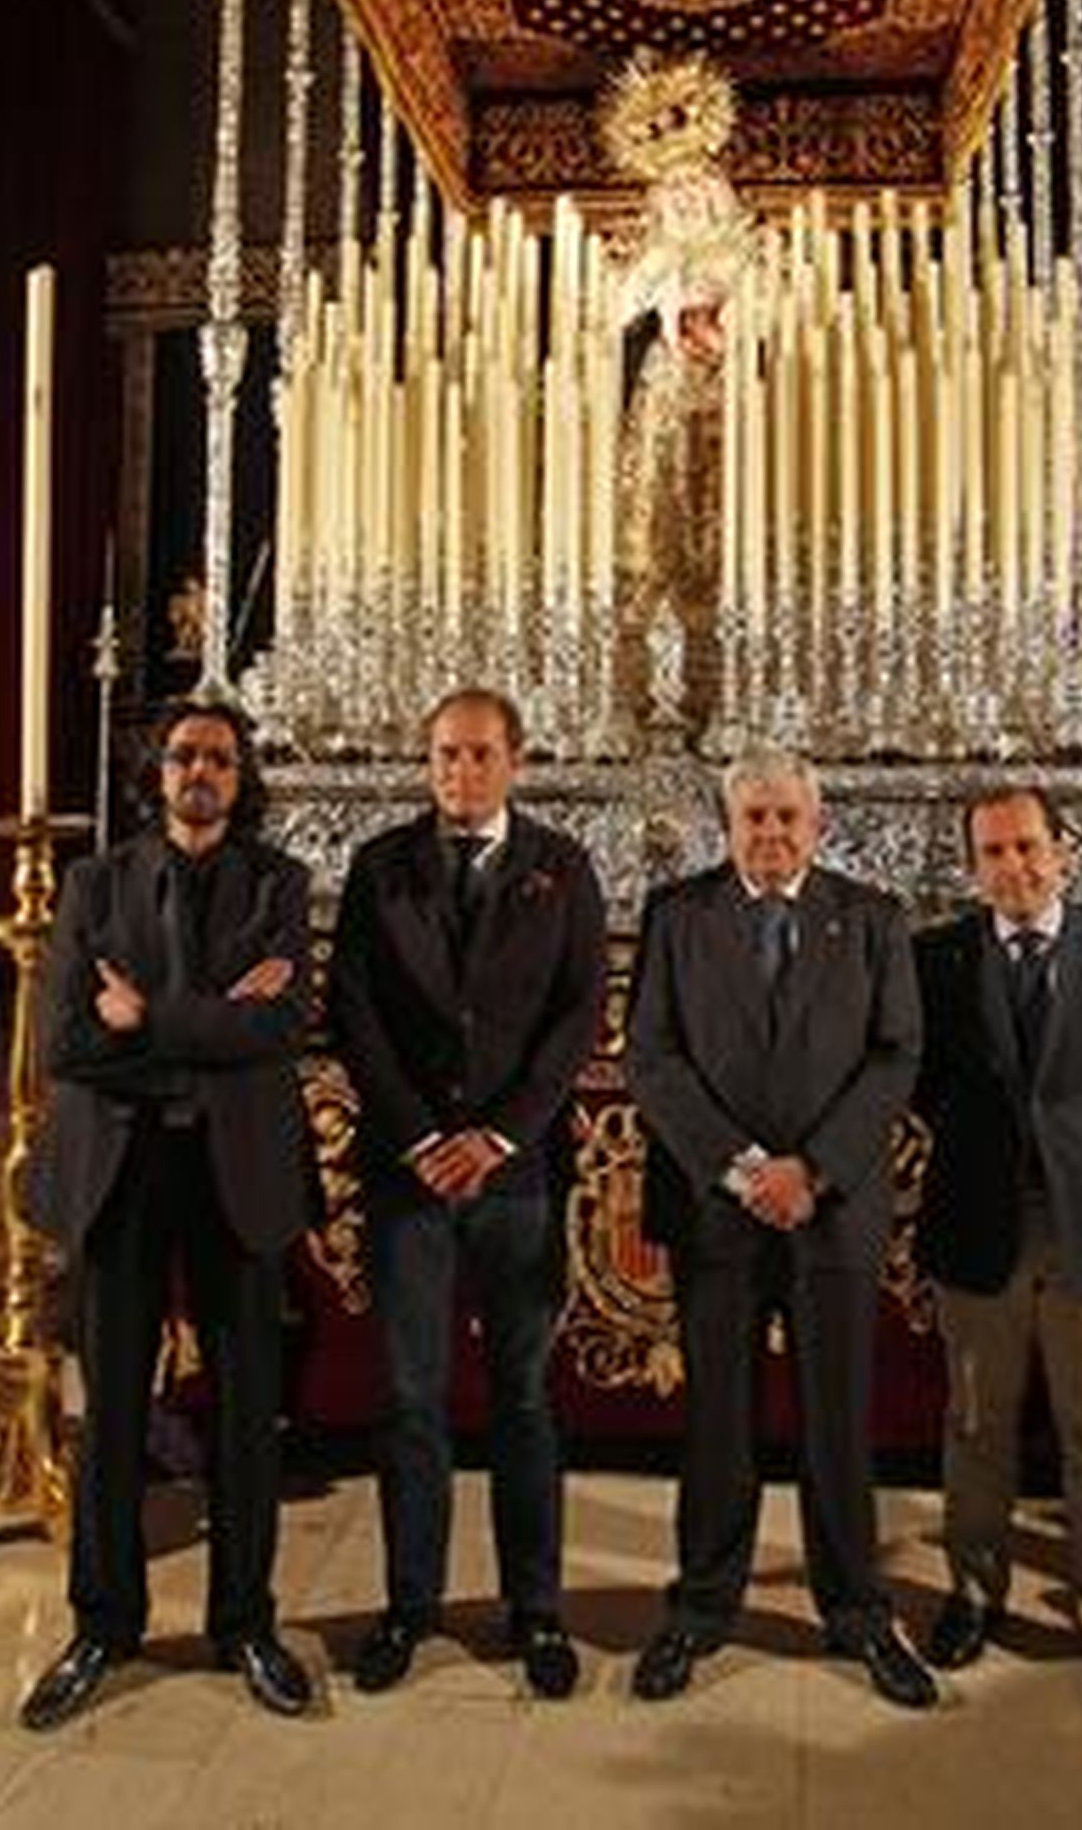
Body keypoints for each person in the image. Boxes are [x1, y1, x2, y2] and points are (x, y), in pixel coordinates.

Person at [19, 698, 317, 1730]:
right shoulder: (93, 885)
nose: (201, 772)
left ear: (242, 779)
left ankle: (247, 1623)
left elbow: (281, 1025)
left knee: (245, 1414)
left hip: (237, 1172)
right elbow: (67, 1044)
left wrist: (147, 1017)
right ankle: (103, 1624)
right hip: (123, 1169)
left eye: (221, 760)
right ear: (157, 772)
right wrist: (212, 1022)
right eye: (186, 755)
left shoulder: (278, 885)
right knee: (110, 1419)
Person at [624, 745, 937, 1708]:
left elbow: (896, 1056)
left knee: (837, 1419)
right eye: (753, 817)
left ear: (818, 824)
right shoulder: (679, 916)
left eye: (785, 818)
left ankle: (854, 1610)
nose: (769, 834)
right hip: (719, 1209)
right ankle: (702, 1604)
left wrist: (817, 1168)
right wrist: (746, 1169)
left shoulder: (872, 919)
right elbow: (652, 1056)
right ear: (729, 824)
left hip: (831, 1213)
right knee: (717, 1418)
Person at [328, 687, 606, 1699]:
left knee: (525, 1397)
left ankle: (535, 1610)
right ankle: (410, 1607)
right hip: (410, 1178)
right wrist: (418, 1137)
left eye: (479, 755)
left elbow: (578, 1015)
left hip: (516, 1174)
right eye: (444, 755)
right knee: (409, 1398)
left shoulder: (560, 868)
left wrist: (494, 1135)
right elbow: (351, 1009)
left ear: (515, 762)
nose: (460, 773)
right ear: (426, 760)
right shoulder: (379, 866)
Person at [912, 785, 1082, 1723]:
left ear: (1063, 852)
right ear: (972, 866)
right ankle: (973, 1593)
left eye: (1028, 846)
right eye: (993, 852)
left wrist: (1081, 1162)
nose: (1013, 867)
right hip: (979, 1220)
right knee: (977, 1421)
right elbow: (926, 1087)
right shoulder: (936, 960)